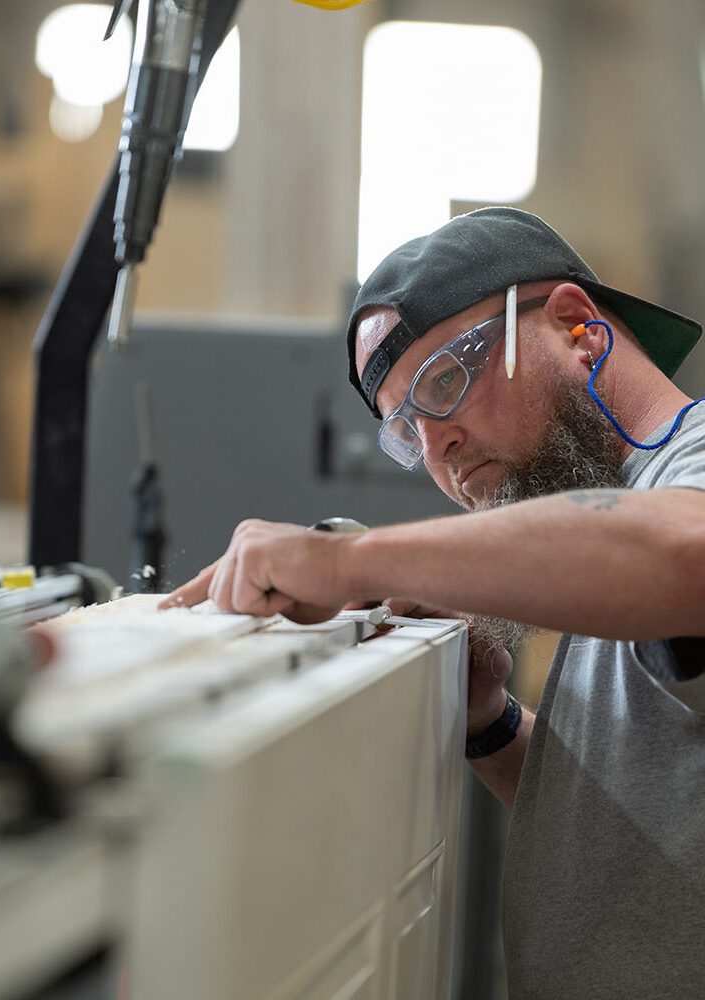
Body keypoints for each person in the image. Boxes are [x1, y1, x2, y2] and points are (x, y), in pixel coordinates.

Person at [159, 207, 705, 998]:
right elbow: (624, 832)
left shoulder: (678, 491)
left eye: (447, 381)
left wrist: (347, 559)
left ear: (577, 327)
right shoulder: (617, 511)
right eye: (406, 432)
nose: (437, 449)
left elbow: (685, 554)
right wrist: (491, 725)